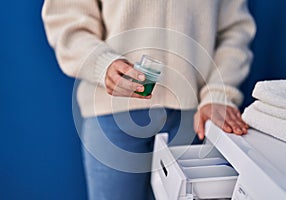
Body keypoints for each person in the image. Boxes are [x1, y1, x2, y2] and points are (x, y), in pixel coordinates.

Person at [42, 0, 256, 199]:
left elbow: (235, 31)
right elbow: (67, 21)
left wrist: (219, 93)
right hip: (110, 114)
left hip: (196, 118)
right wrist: (102, 65)